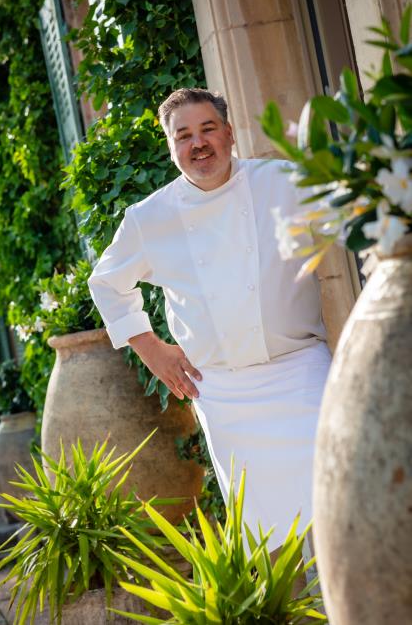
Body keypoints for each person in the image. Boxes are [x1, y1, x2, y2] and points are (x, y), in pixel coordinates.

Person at [88, 87, 331, 553]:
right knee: (267, 531)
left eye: (207, 129)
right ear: (171, 147)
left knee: (337, 496)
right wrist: (151, 349)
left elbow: (349, 211)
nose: (198, 143)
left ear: (230, 134)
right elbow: (107, 283)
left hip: (302, 370)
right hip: (223, 391)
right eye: (184, 136)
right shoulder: (149, 217)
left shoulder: (282, 180)